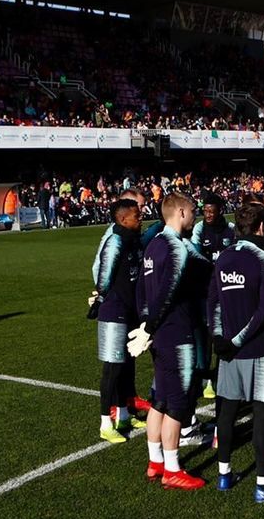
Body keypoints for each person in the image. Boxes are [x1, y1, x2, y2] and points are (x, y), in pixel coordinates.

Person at [207, 202, 264, 501]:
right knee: (261, 416)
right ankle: (263, 484)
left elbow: (213, 303)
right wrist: (236, 340)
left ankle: (223, 474)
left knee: (228, 411)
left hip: (227, 351)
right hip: (256, 349)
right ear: (261, 227)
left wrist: (219, 337)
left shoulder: (223, 258)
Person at [128, 193, 209, 489]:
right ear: (181, 212)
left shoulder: (154, 245)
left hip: (159, 333)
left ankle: (155, 461)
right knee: (178, 401)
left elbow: (141, 290)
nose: (195, 216)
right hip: (175, 332)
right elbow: (168, 290)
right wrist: (149, 326)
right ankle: (173, 468)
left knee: (159, 399)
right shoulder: (175, 247)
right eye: (193, 211)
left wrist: (145, 323)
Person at [89, 198, 148, 444]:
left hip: (131, 310)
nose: (140, 217)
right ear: (123, 218)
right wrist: (100, 299)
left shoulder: (134, 240)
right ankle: (105, 422)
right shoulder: (115, 241)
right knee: (112, 369)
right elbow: (103, 276)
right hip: (114, 311)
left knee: (126, 365)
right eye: (136, 214)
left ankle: (124, 415)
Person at [192, 193, 235, 261]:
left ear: (220, 211)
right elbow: (195, 253)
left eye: (211, 212)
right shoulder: (199, 228)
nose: (207, 215)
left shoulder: (231, 228)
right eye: (205, 211)